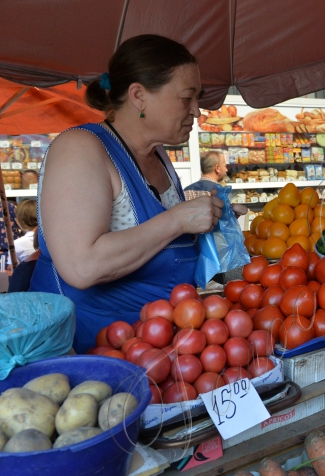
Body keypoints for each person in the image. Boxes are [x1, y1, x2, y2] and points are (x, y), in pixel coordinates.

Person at [30, 34, 224, 354]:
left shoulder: (157, 154)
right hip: (85, 353)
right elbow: (82, 266)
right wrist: (177, 220)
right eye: (187, 97)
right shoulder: (80, 148)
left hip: (154, 349)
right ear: (138, 95)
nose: (197, 111)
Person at [0, 199, 21, 267]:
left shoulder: (8, 206)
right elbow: (23, 225)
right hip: (10, 253)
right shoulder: (9, 206)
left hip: (9, 252)